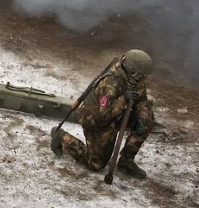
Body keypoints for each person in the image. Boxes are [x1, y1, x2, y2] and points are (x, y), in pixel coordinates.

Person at [51, 49, 155, 178]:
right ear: (133, 72)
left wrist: (141, 116)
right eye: (142, 74)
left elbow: (142, 101)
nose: (144, 78)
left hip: (116, 115)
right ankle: (61, 136)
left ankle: (126, 161)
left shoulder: (135, 80)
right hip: (96, 120)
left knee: (147, 119)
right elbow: (104, 115)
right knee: (96, 165)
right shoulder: (110, 84)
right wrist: (123, 99)